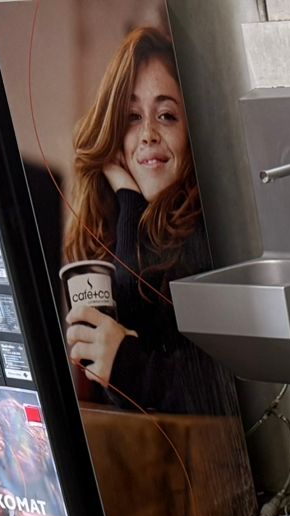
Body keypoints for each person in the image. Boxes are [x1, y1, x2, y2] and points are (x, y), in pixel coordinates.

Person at [60, 27, 226, 417]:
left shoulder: (210, 231)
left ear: (193, 129)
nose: (148, 134)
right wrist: (128, 201)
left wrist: (127, 365)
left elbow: (217, 389)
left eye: (166, 116)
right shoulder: (110, 230)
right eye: (132, 117)